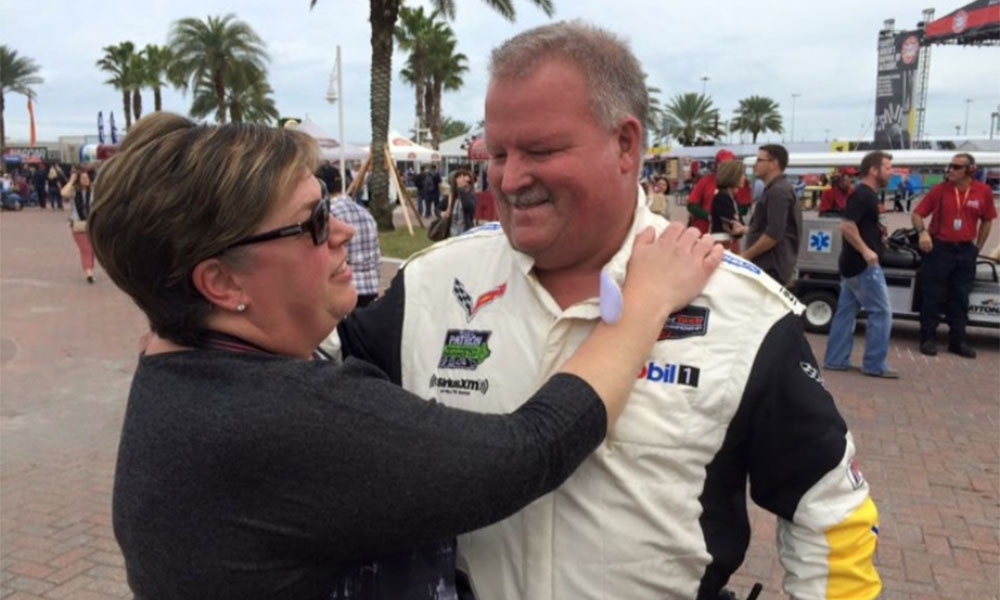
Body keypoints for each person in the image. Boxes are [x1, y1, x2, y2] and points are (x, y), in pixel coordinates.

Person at [334, 21, 881, 600]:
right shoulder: (431, 285)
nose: (510, 179)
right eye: (496, 153)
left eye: (540, 150)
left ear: (625, 145)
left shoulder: (742, 311)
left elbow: (830, 512)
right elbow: (306, 407)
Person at [88, 111, 721, 600]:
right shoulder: (276, 416)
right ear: (222, 283)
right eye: (312, 223)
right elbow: (532, 449)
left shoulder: (179, 369)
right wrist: (643, 304)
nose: (344, 230)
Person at [911, 152, 996, 358]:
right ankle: (928, 338)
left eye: (956, 167)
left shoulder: (982, 191)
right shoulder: (939, 190)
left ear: (970, 170)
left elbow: (987, 220)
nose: (950, 170)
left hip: (965, 250)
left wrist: (977, 247)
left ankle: (957, 341)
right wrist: (922, 233)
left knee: (960, 297)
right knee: (932, 295)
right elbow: (917, 214)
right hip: (940, 249)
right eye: (950, 166)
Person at [823, 151, 898, 378]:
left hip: (852, 265)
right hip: (863, 266)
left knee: (845, 312)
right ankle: (875, 364)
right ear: (874, 170)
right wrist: (867, 251)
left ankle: (835, 359)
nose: (891, 172)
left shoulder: (866, 195)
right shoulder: (863, 195)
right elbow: (847, 225)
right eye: (887, 168)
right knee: (881, 312)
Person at [741, 144, 801, 286]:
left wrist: (745, 256)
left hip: (770, 268)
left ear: (774, 164)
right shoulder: (775, 189)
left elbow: (773, 234)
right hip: (768, 266)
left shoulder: (778, 191)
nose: (755, 165)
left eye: (759, 160)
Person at [330, 193, 382, 307]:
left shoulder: (331, 213)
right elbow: (376, 255)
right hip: (369, 286)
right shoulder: (366, 213)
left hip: (345, 286)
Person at [61, 167, 95, 284]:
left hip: (92, 225)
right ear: (78, 180)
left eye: (87, 178)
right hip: (78, 225)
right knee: (86, 250)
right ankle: (89, 273)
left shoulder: (94, 191)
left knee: (92, 250)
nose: (86, 180)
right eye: (83, 178)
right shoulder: (74, 191)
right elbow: (63, 193)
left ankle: (89, 268)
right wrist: (71, 180)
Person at [708, 159, 747, 251]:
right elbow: (732, 225)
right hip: (722, 243)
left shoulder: (732, 197)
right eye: (741, 175)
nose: (744, 178)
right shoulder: (722, 197)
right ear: (732, 176)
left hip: (729, 242)